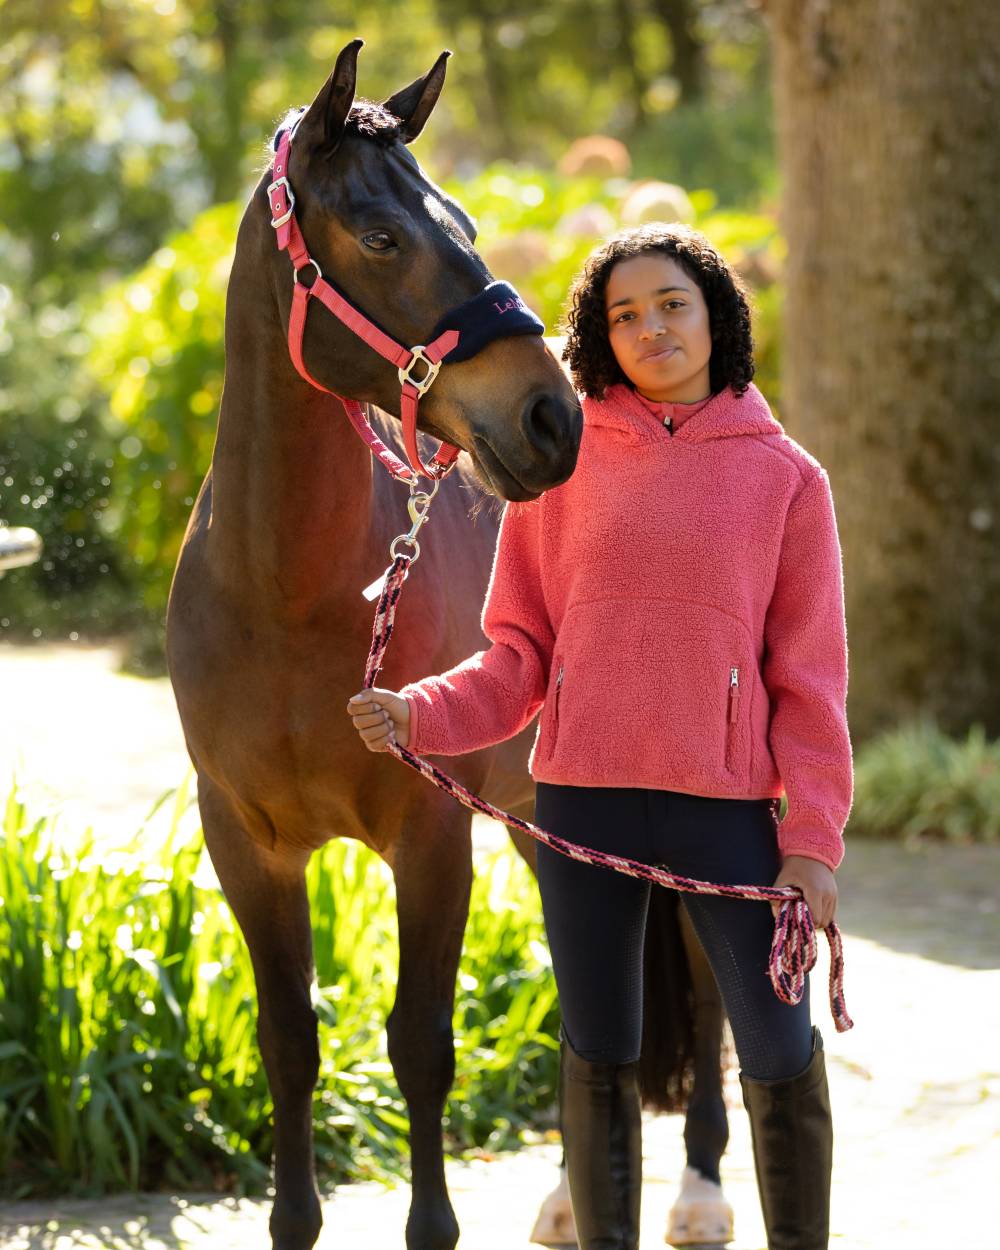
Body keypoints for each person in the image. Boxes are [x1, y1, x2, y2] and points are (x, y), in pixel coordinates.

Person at [347, 222, 852, 1250]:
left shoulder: (786, 478)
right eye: (624, 313)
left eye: (671, 303)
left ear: (716, 313)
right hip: (583, 805)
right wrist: (420, 710)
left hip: (727, 816)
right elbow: (516, 655)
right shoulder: (560, 468)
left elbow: (810, 684)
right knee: (598, 1052)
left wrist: (813, 843)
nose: (650, 327)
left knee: (777, 1045)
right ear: (599, 334)